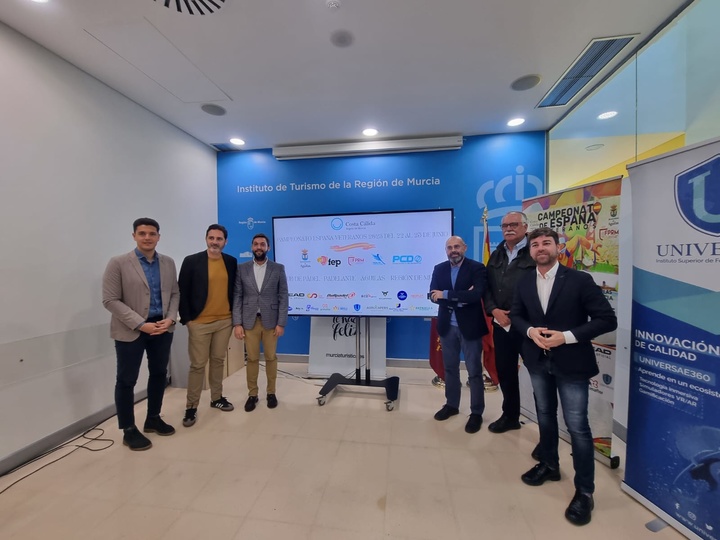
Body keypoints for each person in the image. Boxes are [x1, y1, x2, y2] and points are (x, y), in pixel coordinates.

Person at [510, 227, 617, 526]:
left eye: (546, 243)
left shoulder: (580, 280)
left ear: (558, 247)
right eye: (535, 245)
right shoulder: (524, 281)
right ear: (530, 251)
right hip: (537, 361)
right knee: (544, 414)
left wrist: (567, 337)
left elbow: (607, 319)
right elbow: (517, 315)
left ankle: (585, 492)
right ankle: (549, 464)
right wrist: (530, 331)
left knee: (577, 427)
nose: (540, 248)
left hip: (572, 363)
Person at [102, 218, 179, 451]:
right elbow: (110, 300)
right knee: (126, 380)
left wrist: (171, 318)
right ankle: (128, 429)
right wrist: (140, 323)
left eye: (152, 233)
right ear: (134, 235)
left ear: (158, 237)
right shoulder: (118, 263)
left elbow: (175, 293)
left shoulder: (168, 263)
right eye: (142, 233)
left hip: (162, 328)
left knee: (158, 374)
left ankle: (153, 418)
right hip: (131, 330)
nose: (147, 237)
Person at [178, 224, 238, 427]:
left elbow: (234, 291)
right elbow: (182, 291)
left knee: (218, 361)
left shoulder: (231, 262)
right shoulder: (192, 261)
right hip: (199, 323)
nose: (215, 242)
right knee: (197, 365)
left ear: (225, 242)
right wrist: (188, 320)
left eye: (219, 239)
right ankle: (191, 407)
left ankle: (217, 398)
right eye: (211, 238)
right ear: (206, 239)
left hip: (224, 321)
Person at [483, 211, 536, 434]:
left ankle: (547, 432)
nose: (508, 229)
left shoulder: (535, 252)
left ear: (525, 227)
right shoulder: (497, 254)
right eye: (504, 226)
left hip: (529, 327)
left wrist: (514, 315)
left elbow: (541, 289)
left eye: (513, 224)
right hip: (500, 325)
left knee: (539, 377)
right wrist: (494, 310)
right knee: (505, 372)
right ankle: (510, 415)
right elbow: (486, 288)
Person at [429, 235, 488, 434]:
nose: (453, 250)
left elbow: (476, 295)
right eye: (449, 247)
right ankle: (452, 405)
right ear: (446, 250)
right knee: (450, 370)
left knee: (474, 372)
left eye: (457, 246)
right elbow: (431, 295)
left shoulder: (477, 268)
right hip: (447, 328)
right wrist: (461, 297)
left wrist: (445, 295)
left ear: (464, 247)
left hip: (469, 327)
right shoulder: (439, 268)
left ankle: (476, 413)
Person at [232, 233, 288, 412]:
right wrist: (237, 323)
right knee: (253, 359)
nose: (259, 247)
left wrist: (281, 323)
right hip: (249, 322)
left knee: (271, 358)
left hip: (271, 322)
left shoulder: (278, 269)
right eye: (255, 244)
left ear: (268, 248)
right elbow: (238, 296)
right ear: (251, 247)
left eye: (262, 244)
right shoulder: (242, 269)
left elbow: (283, 297)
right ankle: (252, 394)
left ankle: (271, 393)